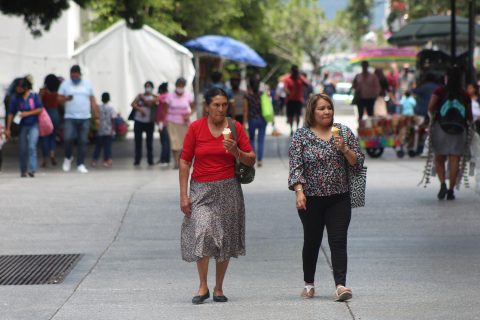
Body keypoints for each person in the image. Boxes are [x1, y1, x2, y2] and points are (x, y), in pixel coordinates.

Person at [179, 87, 256, 304]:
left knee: (224, 238)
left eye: (224, 105)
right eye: (216, 105)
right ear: (206, 107)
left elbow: (250, 158)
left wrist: (236, 152)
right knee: (202, 231)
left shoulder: (235, 127)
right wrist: (184, 195)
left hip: (229, 188)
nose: (221, 109)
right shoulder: (196, 128)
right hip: (201, 189)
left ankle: (219, 287)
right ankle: (202, 286)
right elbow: (185, 161)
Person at [288, 93, 365, 301]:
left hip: (339, 197)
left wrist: (344, 148)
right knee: (312, 241)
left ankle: (341, 285)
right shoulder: (301, 136)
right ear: (312, 111)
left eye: (329, 108)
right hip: (311, 198)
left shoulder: (343, 132)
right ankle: (309, 283)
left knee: (338, 241)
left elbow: (357, 163)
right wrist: (299, 191)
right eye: (321, 108)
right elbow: (296, 167)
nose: (326, 112)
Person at [428, 66, 473, 200]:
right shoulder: (464, 94)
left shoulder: (439, 91)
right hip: (459, 130)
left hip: (440, 128)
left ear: (446, 77)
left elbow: (430, 107)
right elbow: (469, 115)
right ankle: (451, 190)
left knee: (439, 158)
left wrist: (434, 116)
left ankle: (442, 184)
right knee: (455, 159)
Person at [58, 65, 100, 173]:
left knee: (83, 141)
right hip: (70, 117)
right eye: (72, 76)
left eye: (76, 76)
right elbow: (58, 99)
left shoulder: (87, 84)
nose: (74, 78)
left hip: (85, 117)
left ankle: (80, 163)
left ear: (80, 74)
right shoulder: (65, 84)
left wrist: (96, 116)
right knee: (67, 138)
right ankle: (68, 157)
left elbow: (92, 100)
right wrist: (66, 98)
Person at [5, 77, 42, 177]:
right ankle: (23, 170)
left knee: (32, 146)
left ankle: (32, 169)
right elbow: (10, 113)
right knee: (23, 148)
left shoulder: (34, 96)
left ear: (25, 88)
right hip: (22, 126)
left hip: (33, 125)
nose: (18, 90)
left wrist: (27, 114)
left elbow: (39, 109)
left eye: (20, 88)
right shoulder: (15, 98)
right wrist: (8, 128)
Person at [166, 77, 195, 169]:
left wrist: (188, 115)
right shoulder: (170, 96)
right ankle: (176, 162)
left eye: (182, 85)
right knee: (174, 142)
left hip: (184, 122)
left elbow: (193, 108)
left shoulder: (188, 95)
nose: (180, 87)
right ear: (176, 86)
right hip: (172, 121)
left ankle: (182, 160)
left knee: (184, 143)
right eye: (179, 85)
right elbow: (165, 109)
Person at [130, 81, 157, 166]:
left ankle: (150, 160)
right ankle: (137, 160)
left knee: (149, 142)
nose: (147, 88)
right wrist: (140, 109)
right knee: (138, 141)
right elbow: (133, 104)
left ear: (152, 88)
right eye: (146, 86)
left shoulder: (155, 97)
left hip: (149, 122)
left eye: (149, 86)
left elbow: (149, 104)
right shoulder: (139, 96)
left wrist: (143, 98)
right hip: (138, 121)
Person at [243, 76, 267, 167]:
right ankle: (260, 160)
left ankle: (253, 158)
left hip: (252, 120)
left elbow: (245, 110)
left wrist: (244, 122)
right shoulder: (262, 94)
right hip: (262, 119)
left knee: (252, 139)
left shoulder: (247, 96)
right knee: (261, 140)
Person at [39, 74, 61, 167]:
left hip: (45, 115)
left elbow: (38, 102)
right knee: (53, 136)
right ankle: (52, 153)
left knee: (44, 137)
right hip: (55, 114)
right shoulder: (57, 92)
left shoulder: (43, 92)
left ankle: (45, 159)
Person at [284, 65, 309, 136]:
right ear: (291, 71)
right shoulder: (287, 79)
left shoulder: (300, 78)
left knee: (298, 115)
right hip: (290, 101)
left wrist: (300, 77)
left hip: (298, 100)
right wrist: (289, 93)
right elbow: (285, 88)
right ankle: (291, 129)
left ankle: (297, 129)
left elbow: (307, 84)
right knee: (290, 116)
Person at [92, 92, 115, 167]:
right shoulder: (111, 108)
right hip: (108, 129)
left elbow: (95, 117)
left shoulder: (98, 107)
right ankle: (106, 160)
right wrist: (113, 129)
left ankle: (94, 160)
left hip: (100, 129)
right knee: (107, 146)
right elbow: (113, 119)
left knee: (98, 146)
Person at [155, 82, 171, 167]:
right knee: (166, 141)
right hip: (166, 121)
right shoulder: (169, 96)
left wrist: (161, 123)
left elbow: (163, 111)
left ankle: (164, 159)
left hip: (163, 122)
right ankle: (165, 158)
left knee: (164, 141)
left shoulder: (162, 97)